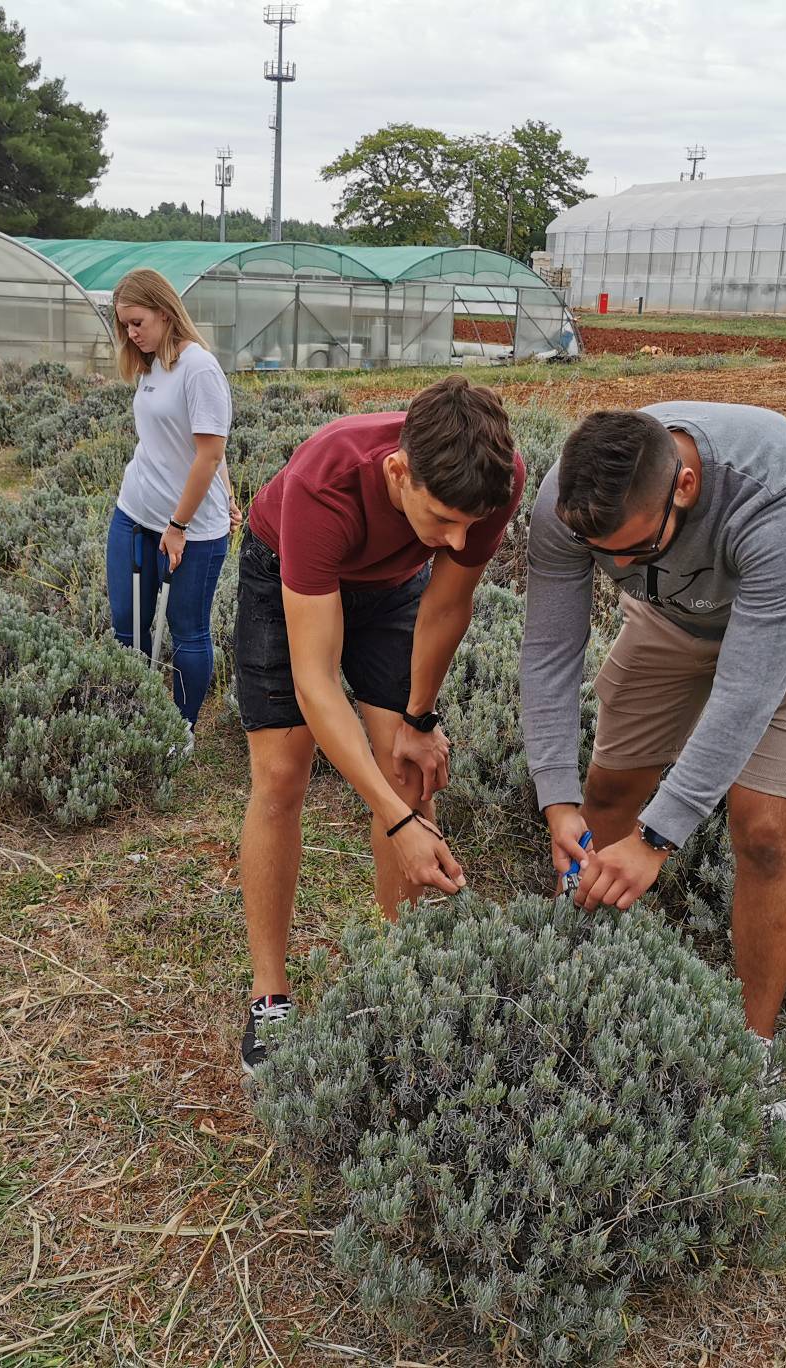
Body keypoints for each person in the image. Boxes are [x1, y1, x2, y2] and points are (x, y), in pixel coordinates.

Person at [520, 402, 786, 1105]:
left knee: (762, 831)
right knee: (605, 793)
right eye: (598, 550)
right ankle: (571, 989)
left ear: (686, 487)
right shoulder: (567, 498)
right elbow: (549, 649)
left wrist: (657, 839)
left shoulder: (782, 501)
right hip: (668, 622)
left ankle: (753, 1055)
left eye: (631, 550)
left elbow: (747, 689)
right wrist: (554, 794)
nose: (612, 564)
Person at [234, 376, 526, 1072]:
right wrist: (395, 821)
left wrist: (420, 719)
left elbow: (448, 603)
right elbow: (316, 680)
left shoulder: (493, 477)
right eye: (443, 518)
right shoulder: (323, 482)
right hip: (287, 575)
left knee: (408, 767)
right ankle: (270, 993)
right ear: (398, 471)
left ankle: (399, 968)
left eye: (470, 521)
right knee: (281, 776)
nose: (460, 538)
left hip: (393, 588)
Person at [104, 268, 235, 747]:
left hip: (191, 530)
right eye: (124, 326)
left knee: (188, 631)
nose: (131, 334)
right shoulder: (152, 363)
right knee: (127, 627)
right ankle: (132, 719)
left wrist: (179, 524)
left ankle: (181, 729)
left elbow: (209, 451)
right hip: (134, 512)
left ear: (164, 311)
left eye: (137, 322)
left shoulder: (198, 368)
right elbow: (181, 441)